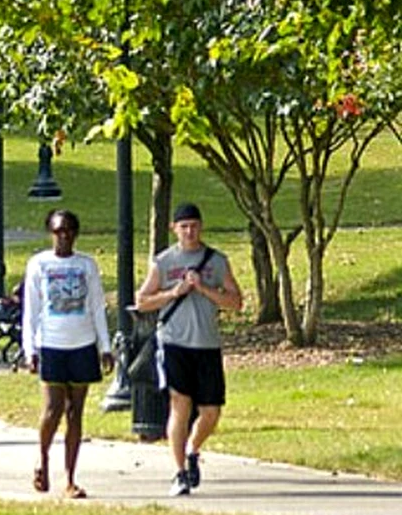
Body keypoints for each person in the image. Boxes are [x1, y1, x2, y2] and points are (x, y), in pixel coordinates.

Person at [135, 202, 243, 497]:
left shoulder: (217, 261)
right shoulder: (164, 261)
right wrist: (173, 292)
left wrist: (204, 289)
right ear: (174, 229)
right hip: (173, 343)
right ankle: (180, 471)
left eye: (194, 225)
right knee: (179, 405)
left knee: (211, 411)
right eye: (184, 227)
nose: (189, 231)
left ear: (201, 227)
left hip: (207, 344)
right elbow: (142, 300)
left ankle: (193, 450)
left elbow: (236, 301)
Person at [22, 209, 114, 500]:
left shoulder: (87, 265)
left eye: (70, 231)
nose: (64, 236)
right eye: (59, 231)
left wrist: (105, 346)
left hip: (83, 343)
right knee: (53, 408)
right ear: (50, 232)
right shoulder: (39, 264)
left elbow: (98, 306)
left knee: (75, 412)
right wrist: (30, 349)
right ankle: (42, 457)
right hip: (51, 343)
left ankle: (71, 478)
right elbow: (31, 310)